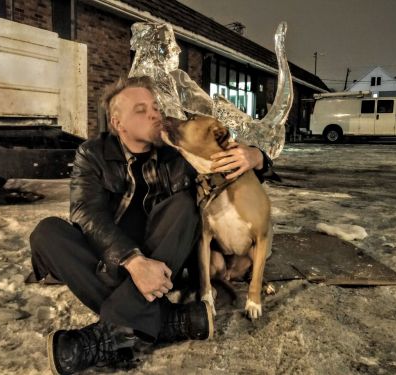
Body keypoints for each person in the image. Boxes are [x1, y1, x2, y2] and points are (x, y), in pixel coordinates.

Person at [28, 76, 274, 375]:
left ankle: (108, 334)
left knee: (186, 206)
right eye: (141, 110)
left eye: (156, 106)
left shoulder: (178, 154)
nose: (155, 114)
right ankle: (169, 320)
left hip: (163, 255)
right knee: (47, 232)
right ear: (119, 124)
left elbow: (229, 171)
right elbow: (87, 213)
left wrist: (258, 157)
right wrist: (132, 260)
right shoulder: (92, 154)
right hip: (113, 258)